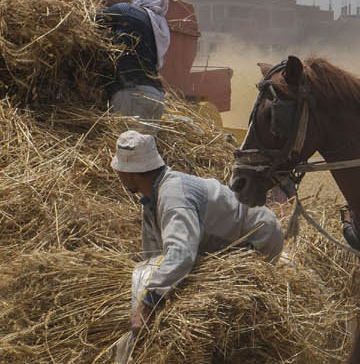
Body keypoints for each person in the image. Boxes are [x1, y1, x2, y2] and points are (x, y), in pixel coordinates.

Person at [112, 130, 284, 329]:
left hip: (257, 236)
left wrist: (148, 303)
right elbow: (157, 254)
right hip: (225, 240)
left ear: (130, 174)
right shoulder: (153, 196)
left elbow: (181, 254)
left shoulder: (174, 198)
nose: (117, 174)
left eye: (119, 170)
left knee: (231, 312)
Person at [97, 0, 171, 128]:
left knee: (126, 146)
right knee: (145, 148)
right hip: (156, 96)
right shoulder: (160, 26)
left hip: (131, 93)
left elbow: (91, 22)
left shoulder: (126, 10)